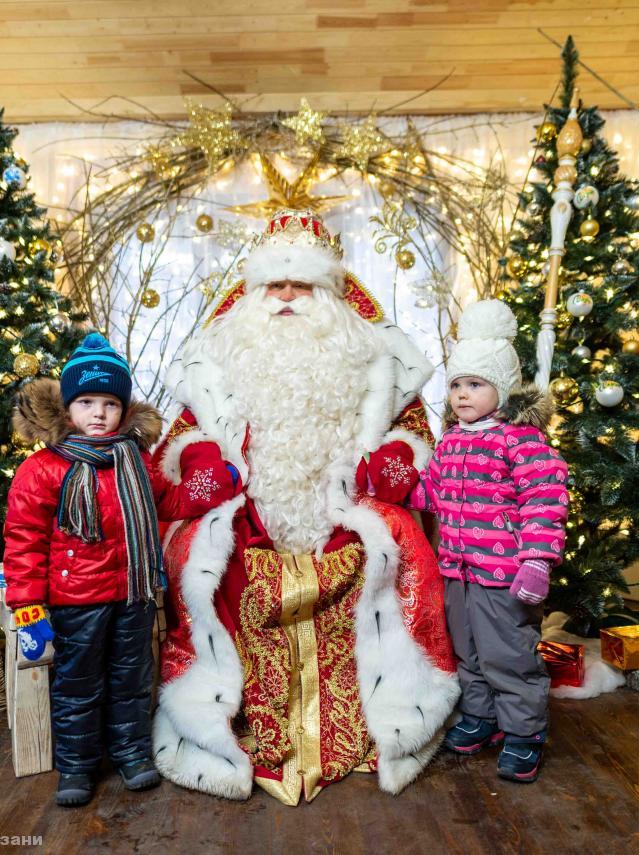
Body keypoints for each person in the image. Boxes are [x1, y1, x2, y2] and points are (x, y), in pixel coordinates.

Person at [150, 209, 458, 805]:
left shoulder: (370, 354)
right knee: (208, 561)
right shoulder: (220, 355)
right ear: (253, 290)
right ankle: (229, 721)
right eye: (275, 285)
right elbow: (182, 434)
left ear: (330, 293)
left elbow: (414, 426)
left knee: (399, 549)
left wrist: (394, 455)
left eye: (303, 286)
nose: (287, 297)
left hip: (344, 512)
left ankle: (389, 717)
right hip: (250, 514)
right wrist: (199, 462)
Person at [3, 332, 241, 807]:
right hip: (76, 601)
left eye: (109, 403)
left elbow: (170, 501)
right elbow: (24, 542)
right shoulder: (44, 470)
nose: (97, 413)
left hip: (132, 596)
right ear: (67, 409)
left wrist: (216, 483)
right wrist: (28, 606)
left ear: (124, 409)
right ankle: (77, 766)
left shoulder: (136, 461)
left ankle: (132, 753)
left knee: (131, 680)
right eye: (86, 402)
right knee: (77, 686)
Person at [408, 299, 569, 783]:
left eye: (474, 384)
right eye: (456, 384)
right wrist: (393, 488)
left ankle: (524, 734)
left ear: (501, 389)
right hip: (457, 568)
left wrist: (537, 561)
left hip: (504, 575)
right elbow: (432, 494)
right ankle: (482, 717)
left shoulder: (520, 441)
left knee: (509, 654)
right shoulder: (452, 440)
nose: (461, 394)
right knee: (467, 651)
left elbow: (545, 500)